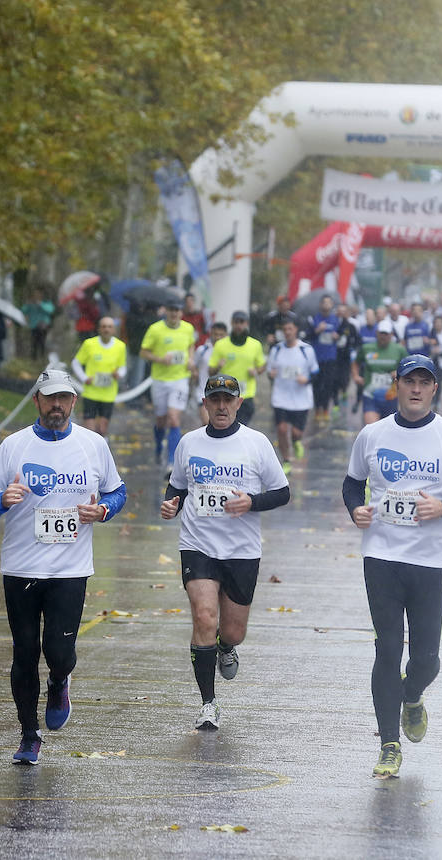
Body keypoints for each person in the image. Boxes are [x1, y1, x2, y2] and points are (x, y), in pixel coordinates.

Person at [343, 354, 442, 778]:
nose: (415, 389)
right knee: (387, 649)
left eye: (424, 382)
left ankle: (411, 696)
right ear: (397, 384)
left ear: (433, 389)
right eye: (409, 381)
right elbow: (353, 483)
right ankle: (389, 743)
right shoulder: (373, 435)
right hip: (382, 556)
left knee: (426, 660)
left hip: (430, 561)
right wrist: (356, 509)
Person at [0, 369, 126, 765]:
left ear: (74, 402)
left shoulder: (93, 445)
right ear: (37, 401)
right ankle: (28, 734)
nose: (57, 405)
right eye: (49, 398)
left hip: (71, 569)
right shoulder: (13, 446)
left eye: (64, 398)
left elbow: (117, 491)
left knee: (58, 651)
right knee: (24, 652)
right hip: (21, 567)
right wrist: (1, 501)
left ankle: (59, 681)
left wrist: (104, 509)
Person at [160, 374, 289, 730]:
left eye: (227, 400)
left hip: (241, 550)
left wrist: (252, 501)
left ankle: (225, 646)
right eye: (214, 400)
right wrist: (171, 504)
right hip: (198, 544)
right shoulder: (189, 442)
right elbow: (178, 487)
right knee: (204, 617)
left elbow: (282, 492)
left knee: (232, 632)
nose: (220, 406)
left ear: (238, 403)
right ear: (205, 403)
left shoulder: (256, 443)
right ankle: (208, 703)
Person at [140, 298, 197, 474]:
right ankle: (159, 446)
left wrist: (191, 360)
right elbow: (143, 352)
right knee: (161, 420)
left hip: (180, 380)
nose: (174, 313)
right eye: (171, 310)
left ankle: (172, 461)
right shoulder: (155, 329)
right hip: (159, 380)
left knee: (174, 418)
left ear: (181, 312)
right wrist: (160, 359)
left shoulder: (188, 328)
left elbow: (191, 345)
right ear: (166, 311)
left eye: (177, 310)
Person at [267, 318, 319, 474]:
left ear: (295, 329)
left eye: (290, 328)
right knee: (281, 429)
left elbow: (315, 372)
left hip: (300, 399)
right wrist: (272, 374)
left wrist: (307, 379)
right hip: (280, 397)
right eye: (285, 329)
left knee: (296, 432)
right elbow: (270, 371)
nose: (287, 332)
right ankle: (287, 459)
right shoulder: (276, 350)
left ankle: (297, 441)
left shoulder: (306, 350)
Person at [71, 317, 127, 438]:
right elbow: (76, 363)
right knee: (89, 430)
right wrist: (85, 378)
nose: (106, 329)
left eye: (109, 327)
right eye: (104, 326)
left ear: (114, 330)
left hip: (108, 394)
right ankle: (89, 453)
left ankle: (101, 451)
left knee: (102, 429)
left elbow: (123, 367)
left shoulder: (120, 346)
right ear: (99, 329)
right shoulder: (89, 344)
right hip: (91, 392)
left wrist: (119, 374)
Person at [208, 310, 266, 425]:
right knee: (226, 426)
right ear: (231, 323)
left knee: (241, 427)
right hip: (226, 393)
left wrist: (256, 371)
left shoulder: (255, 345)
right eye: (236, 322)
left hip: (246, 395)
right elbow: (210, 371)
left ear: (247, 324)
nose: (239, 325)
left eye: (242, 322)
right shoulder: (221, 345)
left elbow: (262, 366)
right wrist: (218, 366)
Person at [352, 319, 408, 425]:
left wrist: (399, 372)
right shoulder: (367, 348)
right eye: (381, 333)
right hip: (370, 395)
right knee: (371, 429)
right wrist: (355, 376)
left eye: (386, 334)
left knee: (388, 431)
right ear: (377, 333)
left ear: (391, 335)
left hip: (391, 396)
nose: (383, 336)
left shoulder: (399, 350)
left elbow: (408, 368)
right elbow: (356, 363)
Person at [307, 295, 340, 422]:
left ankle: (326, 409)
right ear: (320, 305)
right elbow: (308, 335)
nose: (326, 305)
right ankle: (317, 409)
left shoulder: (336, 320)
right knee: (317, 385)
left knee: (328, 385)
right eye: (324, 302)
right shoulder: (314, 319)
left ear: (332, 305)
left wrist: (337, 336)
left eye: (329, 303)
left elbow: (342, 336)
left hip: (330, 358)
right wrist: (317, 330)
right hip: (316, 358)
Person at [193, 321, 227, 426]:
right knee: (207, 423)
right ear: (211, 334)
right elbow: (194, 366)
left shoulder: (229, 351)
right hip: (203, 392)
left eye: (221, 335)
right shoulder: (202, 350)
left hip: (223, 393)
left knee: (219, 426)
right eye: (216, 334)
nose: (218, 337)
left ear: (226, 335)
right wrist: (194, 375)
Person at [21, 290, 55, 361]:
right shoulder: (31, 304)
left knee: (42, 342)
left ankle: (42, 358)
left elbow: (50, 310)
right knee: (34, 343)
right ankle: (34, 359)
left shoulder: (46, 302)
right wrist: (28, 304)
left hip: (43, 326)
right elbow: (23, 310)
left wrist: (40, 304)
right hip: (34, 326)